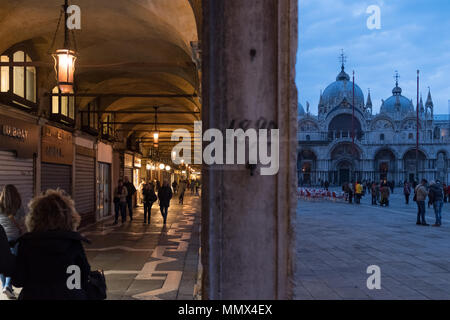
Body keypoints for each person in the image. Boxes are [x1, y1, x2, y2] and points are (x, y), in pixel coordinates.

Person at [12, 189, 94, 300]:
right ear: (68, 217)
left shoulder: (27, 244)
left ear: (35, 217)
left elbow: (18, 280)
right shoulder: (73, 242)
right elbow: (83, 276)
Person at [0, 185, 25, 299]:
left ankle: (5, 286)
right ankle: (7, 286)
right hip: (14, 237)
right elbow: (22, 221)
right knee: (12, 260)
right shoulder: (18, 205)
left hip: (1, 237)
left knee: (1, 260)